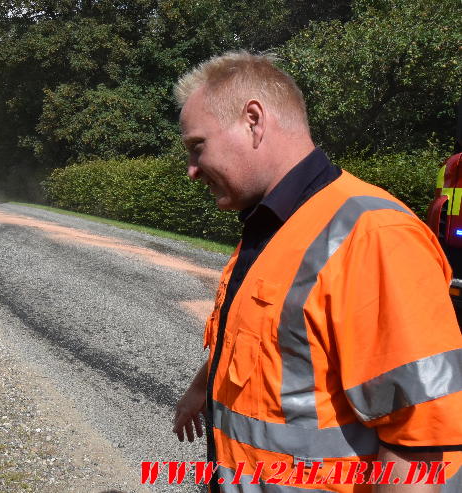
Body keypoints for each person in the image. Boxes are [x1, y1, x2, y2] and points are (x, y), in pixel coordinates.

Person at [172, 51, 462, 492]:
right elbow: (264, 338)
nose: (192, 171)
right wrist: (202, 388)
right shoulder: (272, 225)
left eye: (198, 147)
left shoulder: (373, 235)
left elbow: (420, 445)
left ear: (254, 120)